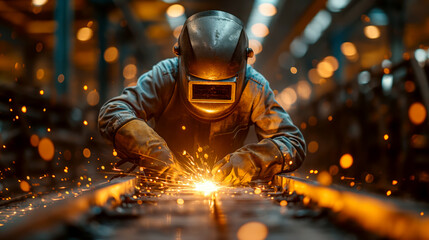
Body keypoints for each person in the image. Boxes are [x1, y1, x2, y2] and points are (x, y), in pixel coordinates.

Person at [98, 10, 306, 185]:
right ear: (181, 62)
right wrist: (154, 154)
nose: (211, 93)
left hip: (228, 184)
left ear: (243, 64)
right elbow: (114, 112)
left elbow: (292, 143)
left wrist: (250, 162)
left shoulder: (253, 88)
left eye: (220, 89)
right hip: (163, 181)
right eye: (201, 87)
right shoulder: (165, 77)